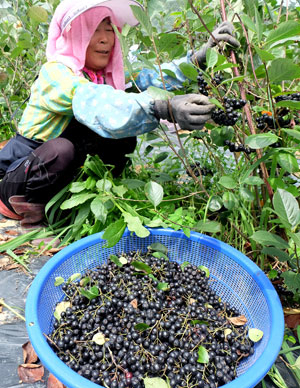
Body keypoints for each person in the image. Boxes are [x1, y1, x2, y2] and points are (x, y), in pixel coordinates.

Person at [0, 0, 239, 227]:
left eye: (109, 29)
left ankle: (89, 197)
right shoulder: (56, 74)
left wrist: (198, 59)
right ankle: (30, 218)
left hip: (52, 173)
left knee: (121, 136)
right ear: (75, 34)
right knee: (60, 151)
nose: (106, 39)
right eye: (94, 30)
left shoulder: (103, 76)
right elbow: (97, 101)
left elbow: (149, 78)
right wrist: (162, 107)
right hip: (19, 175)